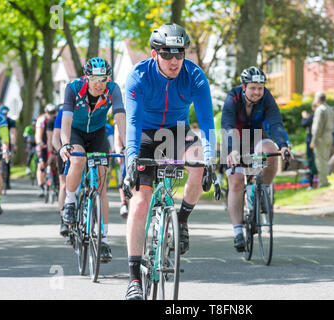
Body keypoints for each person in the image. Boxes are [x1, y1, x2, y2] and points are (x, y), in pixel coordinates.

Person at [122, 23, 216, 300]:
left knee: (198, 163)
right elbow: (133, 124)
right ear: (155, 54)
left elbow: (208, 125)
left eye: (179, 54)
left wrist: (210, 160)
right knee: (140, 203)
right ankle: (134, 279)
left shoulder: (195, 76)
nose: (174, 60)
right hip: (146, 136)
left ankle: (182, 221)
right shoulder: (138, 76)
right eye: (167, 54)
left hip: (177, 133)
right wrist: (131, 161)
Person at [59, 57, 126, 263]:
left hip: (97, 134)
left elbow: (120, 117)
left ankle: (104, 239)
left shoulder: (113, 90)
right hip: (76, 133)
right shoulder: (73, 88)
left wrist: (128, 146)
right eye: (94, 79)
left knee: (102, 188)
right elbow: (66, 120)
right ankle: (70, 202)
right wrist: (65, 144)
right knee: (77, 161)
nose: (99, 84)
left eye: (103, 79)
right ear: (86, 77)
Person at [221, 66, 292, 253]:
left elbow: (276, 123)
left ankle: (263, 190)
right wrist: (233, 150)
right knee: (236, 181)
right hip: (234, 137)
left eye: (260, 88)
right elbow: (227, 124)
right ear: (244, 87)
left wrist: (283, 145)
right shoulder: (233, 97)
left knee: (271, 154)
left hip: (258, 136)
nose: (257, 92)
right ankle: (237, 231)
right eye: (253, 88)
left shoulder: (266, 97)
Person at [309, 91, 334, 187]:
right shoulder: (330, 108)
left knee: (320, 161)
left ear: (317, 99)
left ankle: (323, 182)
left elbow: (317, 127)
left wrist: (313, 140)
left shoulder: (320, 109)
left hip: (321, 137)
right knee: (326, 159)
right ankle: (327, 180)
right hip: (329, 135)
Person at [52, 107, 69, 238]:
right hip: (65, 151)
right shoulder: (63, 112)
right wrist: (62, 151)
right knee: (64, 185)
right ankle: (63, 219)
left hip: (83, 151)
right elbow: (54, 139)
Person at [35, 103, 57, 197]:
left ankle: (56, 184)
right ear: (46, 112)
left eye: (53, 112)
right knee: (41, 164)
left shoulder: (56, 119)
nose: (51, 114)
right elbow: (38, 134)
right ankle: (41, 186)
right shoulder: (41, 119)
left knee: (55, 162)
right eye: (49, 112)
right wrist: (39, 143)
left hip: (53, 143)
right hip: (44, 143)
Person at [0, 105, 17, 190]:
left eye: (6, 114)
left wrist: (13, 144)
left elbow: (13, 134)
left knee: (7, 162)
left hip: (6, 142)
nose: (4, 115)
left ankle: (7, 182)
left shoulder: (11, 121)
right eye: (3, 114)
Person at [301, 104, 317, 188]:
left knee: (311, 161)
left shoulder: (313, 115)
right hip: (317, 141)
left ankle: (311, 183)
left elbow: (304, 124)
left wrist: (304, 117)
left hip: (311, 141)